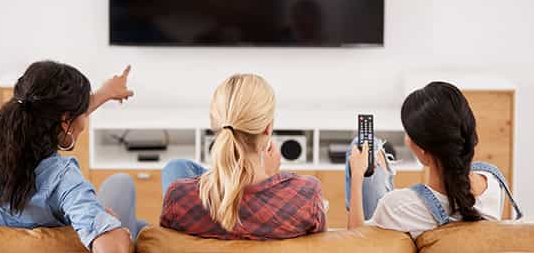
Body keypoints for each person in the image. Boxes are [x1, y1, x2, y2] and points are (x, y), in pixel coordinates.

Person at [0, 61, 145, 253]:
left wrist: (104, 93)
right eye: (83, 113)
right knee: (122, 183)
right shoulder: (62, 179)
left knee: (141, 226)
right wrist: (109, 227)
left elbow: (46, 114)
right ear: (65, 122)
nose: (84, 122)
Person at [346, 81, 523, 239]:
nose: (407, 138)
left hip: (398, 217)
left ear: (421, 149)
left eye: (408, 133)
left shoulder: (396, 206)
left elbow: (358, 241)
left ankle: (384, 171)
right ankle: (384, 168)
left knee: (362, 146)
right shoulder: (494, 181)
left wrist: (358, 176)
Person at [159, 74, 326, 239]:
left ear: (214, 125)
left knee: (177, 167)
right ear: (268, 128)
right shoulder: (307, 194)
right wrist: (271, 178)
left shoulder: (178, 197)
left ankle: (227, 174)